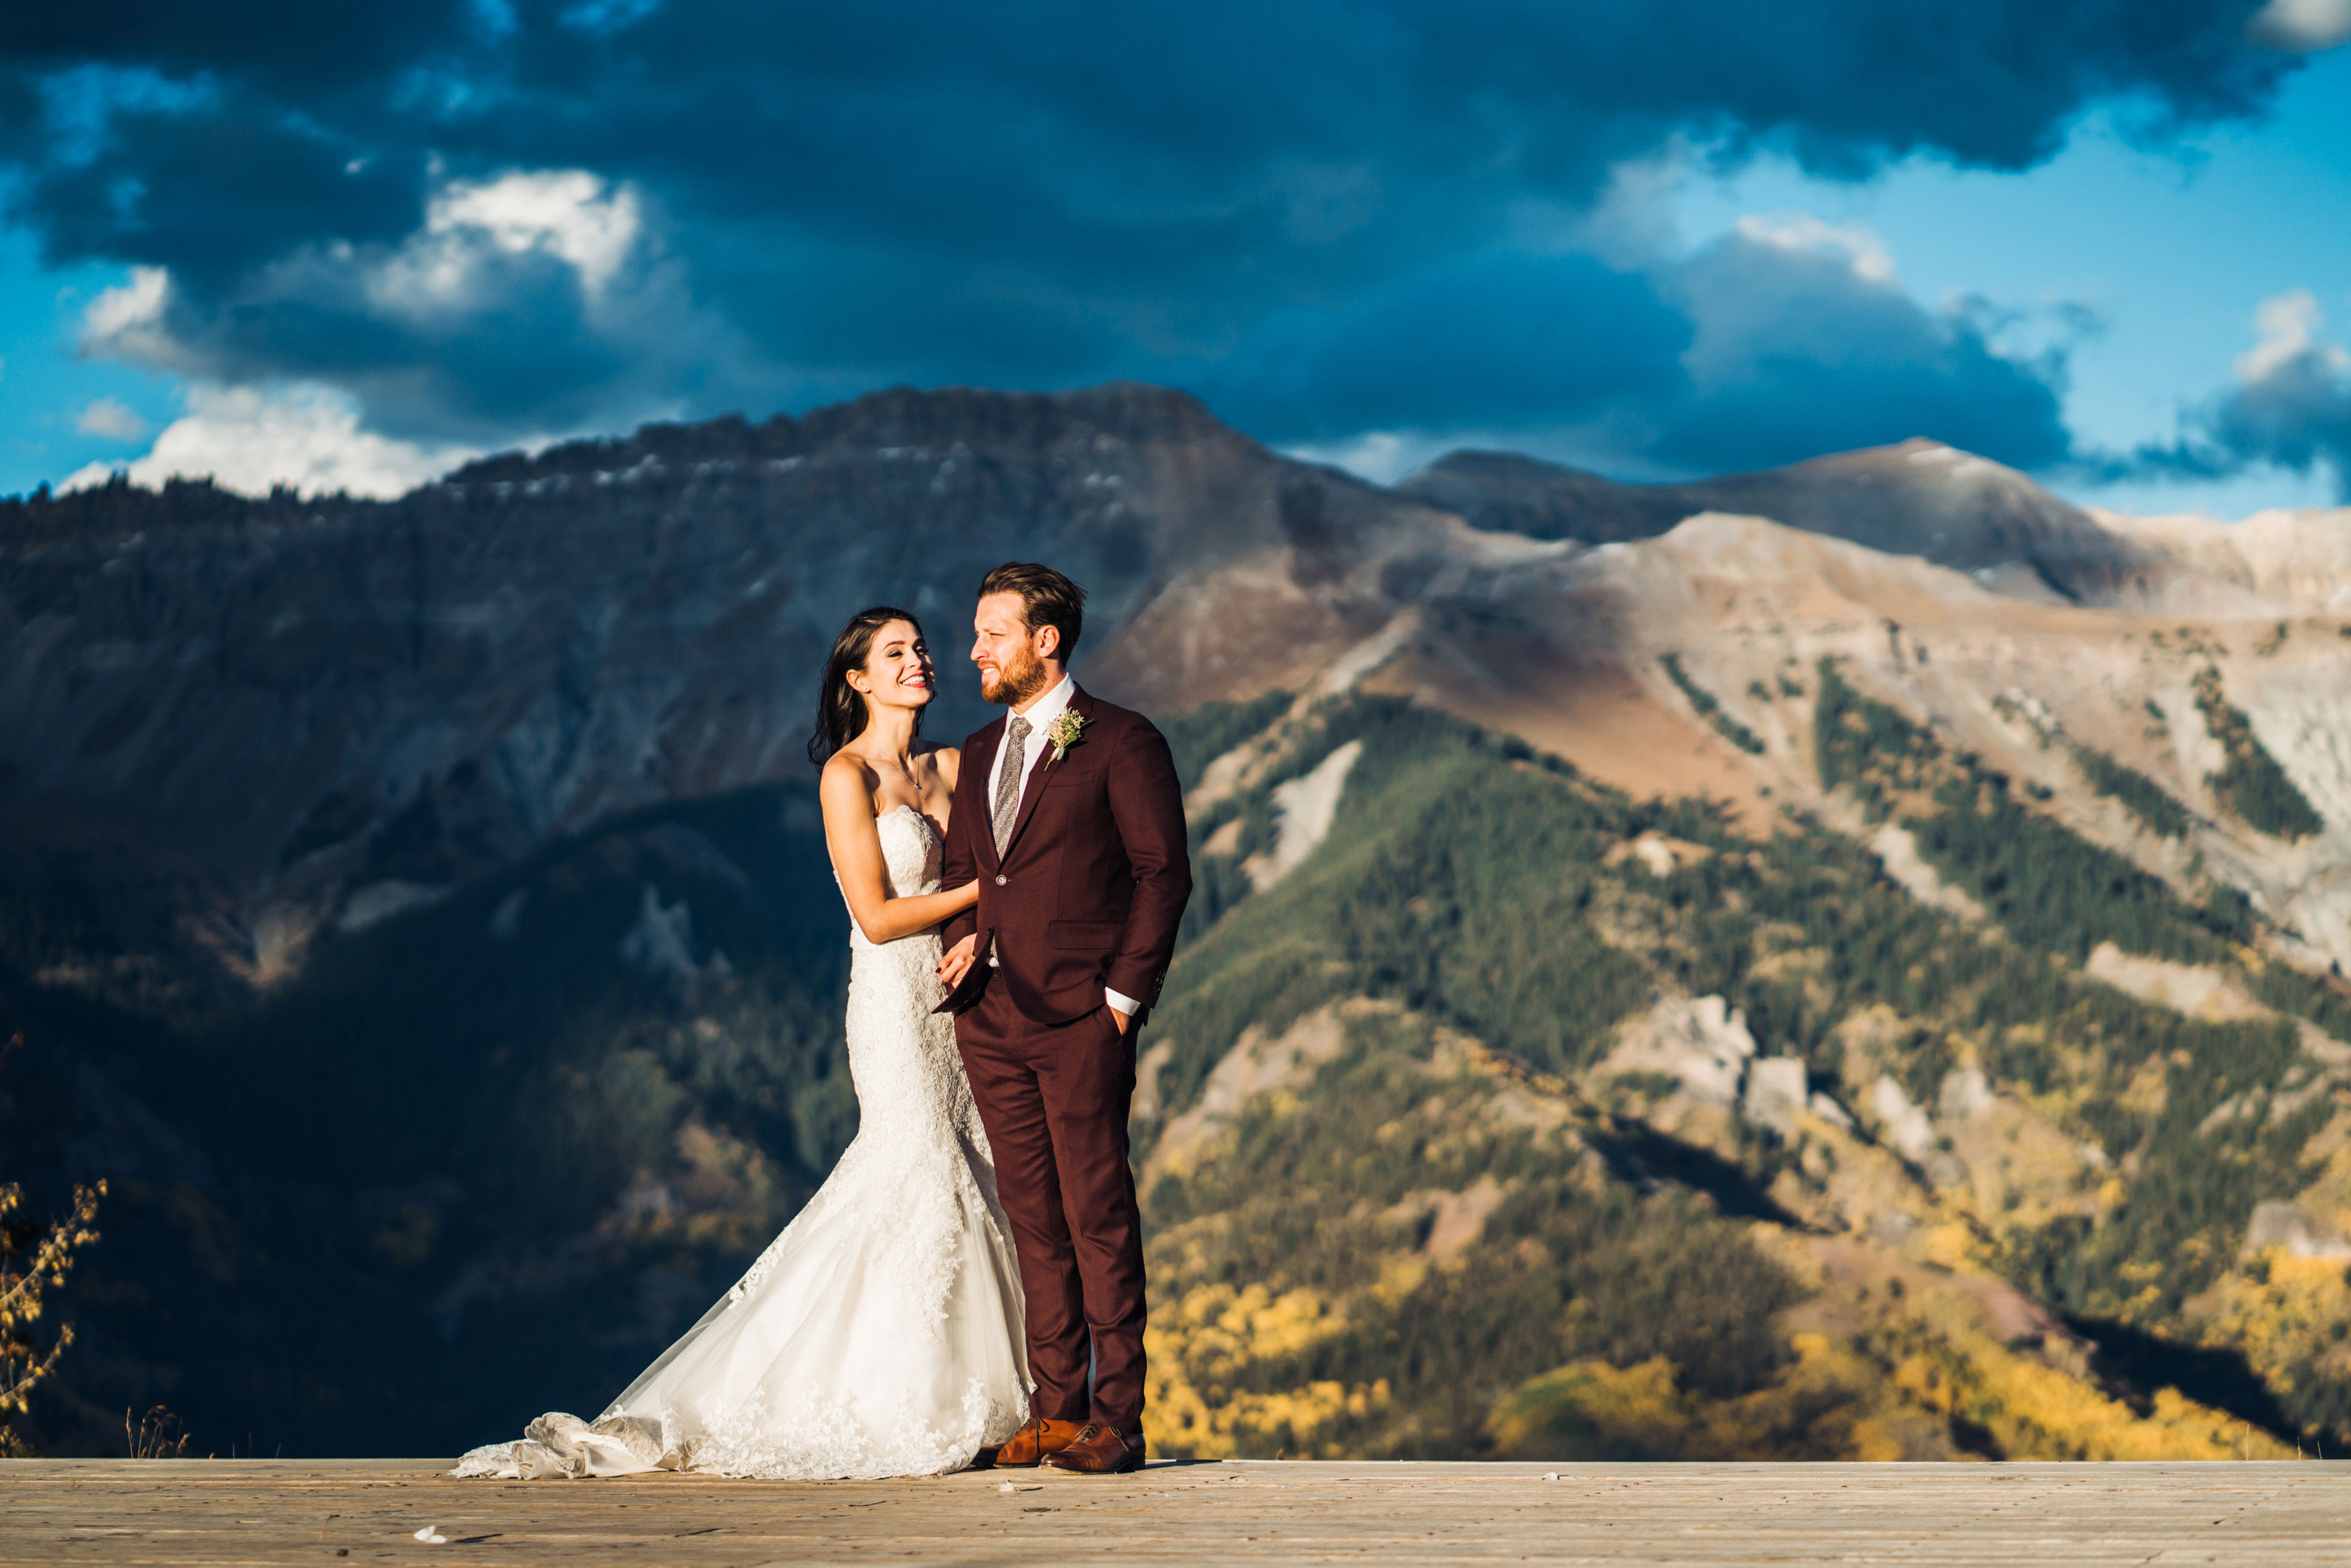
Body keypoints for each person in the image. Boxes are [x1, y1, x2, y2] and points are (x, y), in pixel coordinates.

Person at [452, 607, 1030, 1480]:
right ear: (859, 681)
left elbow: (1007, 866)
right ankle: (903, 1399)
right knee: (918, 1169)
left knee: (975, 1169)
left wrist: (983, 928)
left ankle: (976, 1395)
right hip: (894, 1004)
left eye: (920, 648)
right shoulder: (846, 776)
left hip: (962, 999)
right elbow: (877, 916)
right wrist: (983, 895)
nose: (920, 660)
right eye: (896, 653)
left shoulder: (952, 765)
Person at [933, 562, 1190, 1474]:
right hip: (990, 1017)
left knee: (1097, 1216)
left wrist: (1121, 1000)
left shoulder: (1122, 739)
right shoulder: (978, 749)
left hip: (1084, 1017)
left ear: (1045, 642)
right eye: (976, 633)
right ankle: (1056, 1410)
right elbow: (968, 870)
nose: (974, 650)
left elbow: (1163, 874)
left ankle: (1118, 1421)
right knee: (1033, 1220)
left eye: (992, 634)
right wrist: (965, 942)